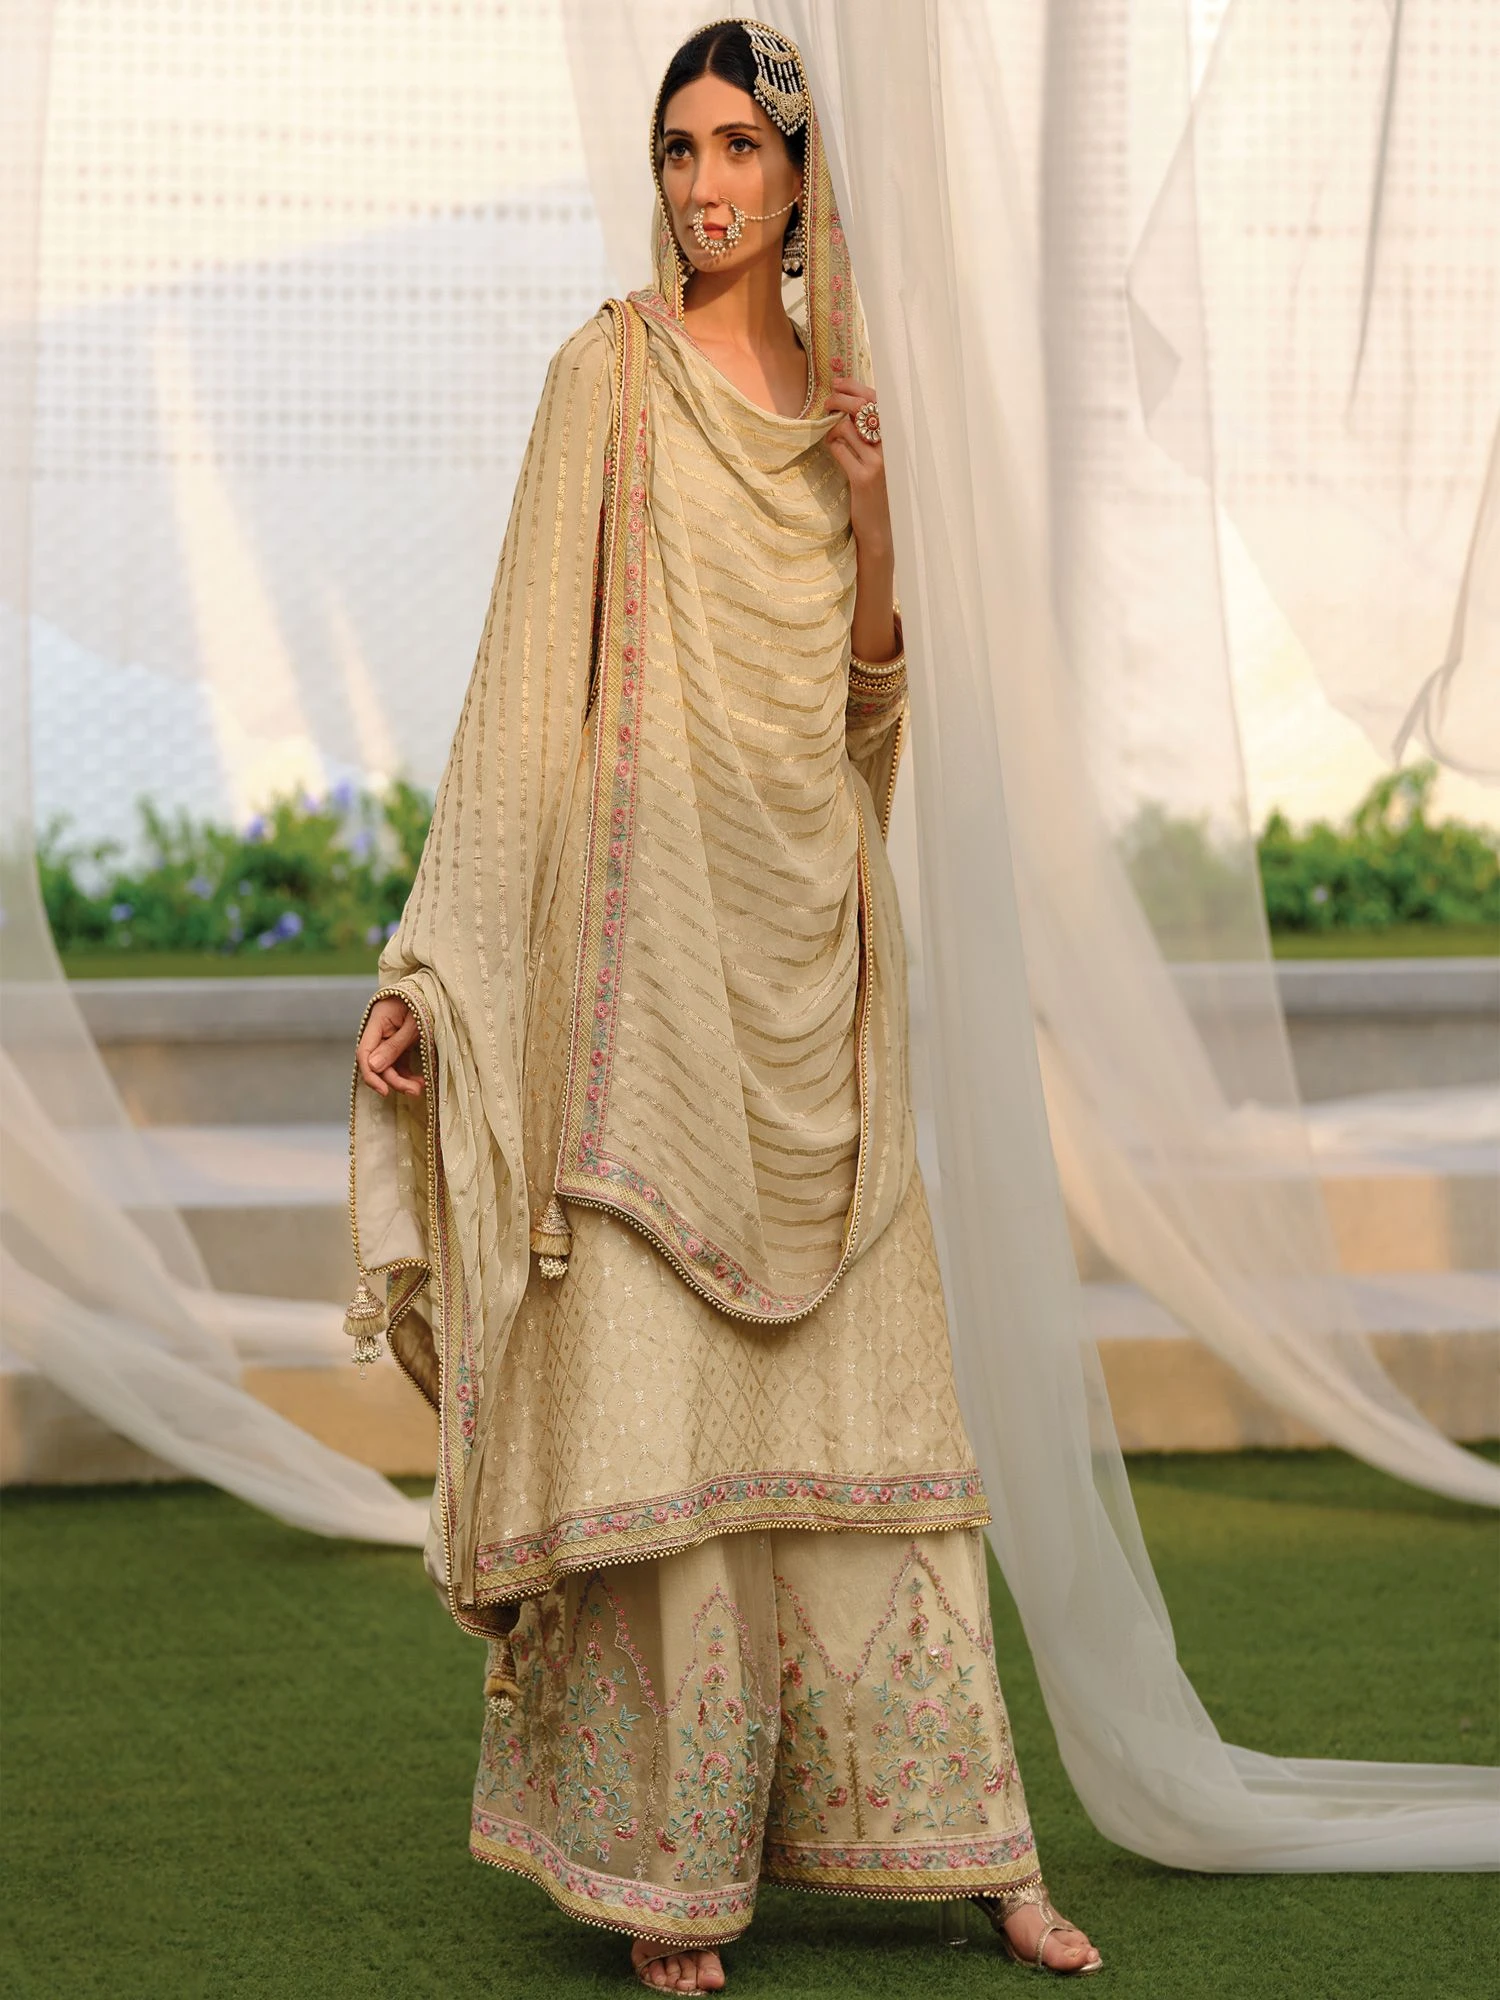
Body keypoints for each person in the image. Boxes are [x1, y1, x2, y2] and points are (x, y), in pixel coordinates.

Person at [347, 18, 1101, 1992]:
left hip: (813, 969)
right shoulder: (604, 380)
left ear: (797, 175)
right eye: (678, 147)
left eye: (739, 148)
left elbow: (870, 723)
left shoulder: (853, 403)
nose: (702, 183)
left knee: (879, 1415)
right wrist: (437, 961)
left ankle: (976, 1850)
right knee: (660, 1431)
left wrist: (875, 515)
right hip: (642, 992)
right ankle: (662, 1878)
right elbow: (523, 694)